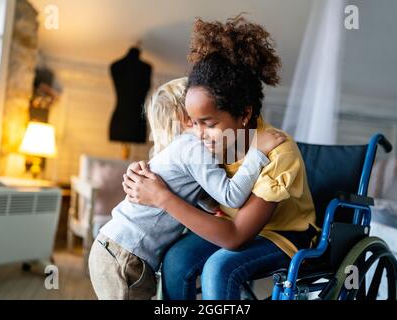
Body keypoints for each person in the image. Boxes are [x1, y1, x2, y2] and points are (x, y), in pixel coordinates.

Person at [123, 16, 318, 300]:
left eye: (208, 123)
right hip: (228, 224)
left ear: (244, 114)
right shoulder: (211, 142)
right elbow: (195, 182)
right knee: (176, 259)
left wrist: (161, 197)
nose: (198, 134)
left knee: (219, 267)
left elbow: (236, 237)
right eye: (193, 122)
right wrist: (146, 175)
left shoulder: (279, 152)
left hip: (281, 236)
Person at [88, 77, 286, 300]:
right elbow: (231, 196)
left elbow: (199, 196)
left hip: (113, 247)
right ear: (187, 117)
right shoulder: (192, 148)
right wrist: (257, 154)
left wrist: (213, 206)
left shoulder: (179, 149)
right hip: (126, 255)